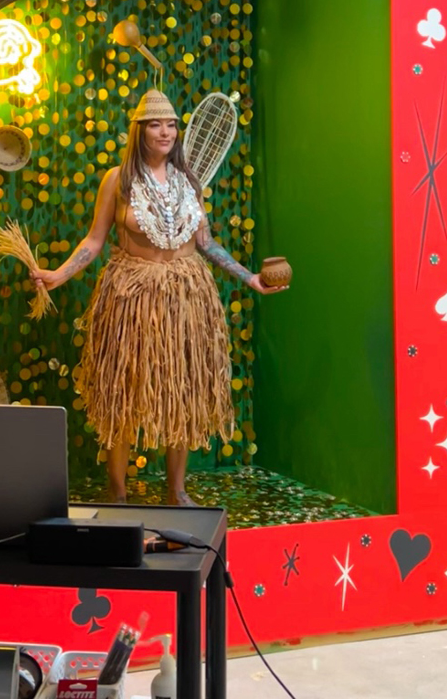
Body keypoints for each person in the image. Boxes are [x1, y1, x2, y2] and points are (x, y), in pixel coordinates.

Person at [31, 88, 286, 506]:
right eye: (155, 124)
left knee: (182, 389)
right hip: (132, 294)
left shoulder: (190, 182)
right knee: (125, 392)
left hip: (186, 296)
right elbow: (95, 241)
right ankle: (116, 490)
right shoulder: (118, 180)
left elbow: (206, 243)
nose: (165, 132)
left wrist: (250, 278)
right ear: (139, 130)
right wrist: (59, 274)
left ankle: (177, 489)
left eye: (170, 125)